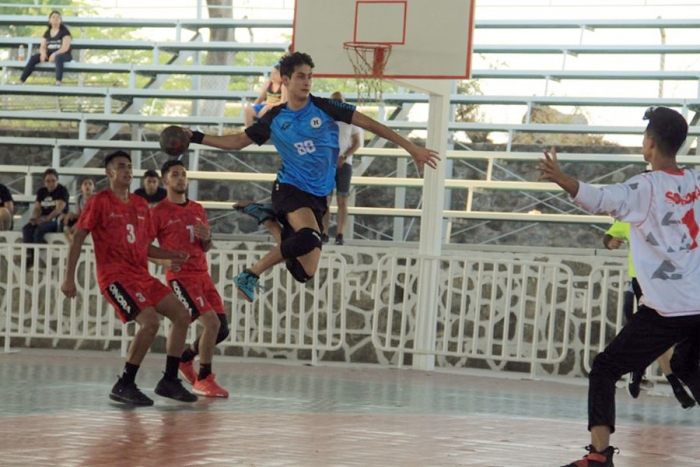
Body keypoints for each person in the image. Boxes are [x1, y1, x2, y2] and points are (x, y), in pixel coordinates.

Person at [166, 52, 439, 302]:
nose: (307, 81)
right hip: (289, 188)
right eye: (300, 76)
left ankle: (270, 221)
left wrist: (410, 146)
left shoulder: (326, 107)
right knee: (309, 237)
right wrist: (197, 137)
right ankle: (250, 273)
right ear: (285, 80)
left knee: (303, 272)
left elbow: (371, 123)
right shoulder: (275, 118)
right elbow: (237, 141)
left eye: (310, 76)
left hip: (319, 194)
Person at [537, 106, 700, 467]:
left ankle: (598, 456)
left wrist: (560, 177)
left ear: (651, 143)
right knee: (688, 365)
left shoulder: (645, 188)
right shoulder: (696, 181)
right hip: (698, 305)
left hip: (667, 309)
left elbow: (599, 199)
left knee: (606, 369)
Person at [61, 151, 197, 406]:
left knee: (182, 314)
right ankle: (125, 383)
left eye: (129, 166)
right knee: (150, 322)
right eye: (121, 167)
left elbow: (144, 246)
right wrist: (69, 278)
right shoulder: (99, 201)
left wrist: (170, 255)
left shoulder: (139, 204)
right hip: (115, 277)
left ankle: (169, 380)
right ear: (109, 173)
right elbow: (78, 238)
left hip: (140, 275)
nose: (127, 170)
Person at [150, 159, 230, 398]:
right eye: (175, 174)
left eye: (183, 174)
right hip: (181, 277)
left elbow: (206, 246)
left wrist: (207, 238)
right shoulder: (159, 212)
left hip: (202, 274)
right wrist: (163, 261)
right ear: (165, 181)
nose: (181, 178)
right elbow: (143, 247)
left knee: (222, 329)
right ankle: (204, 379)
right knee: (211, 323)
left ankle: (186, 359)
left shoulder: (196, 208)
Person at [604, 221, 695, 409]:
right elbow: (610, 235)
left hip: (669, 284)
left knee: (666, 338)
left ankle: (642, 373)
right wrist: (610, 242)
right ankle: (663, 381)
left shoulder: (670, 220)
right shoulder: (632, 219)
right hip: (644, 283)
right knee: (654, 333)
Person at [321, 91, 363, 246]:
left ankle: (339, 233)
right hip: (327, 163)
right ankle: (324, 232)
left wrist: (345, 156)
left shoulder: (351, 120)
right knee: (325, 200)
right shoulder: (325, 119)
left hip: (344, 164)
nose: (337, 103)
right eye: (334, 101)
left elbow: (357, 142)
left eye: (339, 101)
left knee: (342, 199)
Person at [22, 168, 69, 264]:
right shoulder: (41, 192)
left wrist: (46, 219)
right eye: (48, 181)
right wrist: (34, 218)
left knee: (39, 229)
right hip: (43, 218)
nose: (51, 184)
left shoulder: (62, 190)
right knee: (26, 228)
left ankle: (36, 256)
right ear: (44, 182)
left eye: (53, 181)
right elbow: (37, 208)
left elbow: (58, 209)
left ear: (57, 180)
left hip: (56, 219)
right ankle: (29, 255)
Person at [19, 10, 72, 86]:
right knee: (34, 58)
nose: (56, 18)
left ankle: (58, 81)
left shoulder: (65, 32)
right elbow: (42, 46)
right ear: (49, 20)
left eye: (58, 17)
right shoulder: (47, 33)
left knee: (58, 57)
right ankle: (21, 80)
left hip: (63, 54)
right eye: (53, 17)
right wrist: (43, 54)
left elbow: (65, 47)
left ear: (60, 20)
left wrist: (55, 54)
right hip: (50, 54)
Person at [244, 63, 287, 127]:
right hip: (265, 105)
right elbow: (261, 97)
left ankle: (260, 130)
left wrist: (269, 106)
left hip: (276, 108)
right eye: (272, 73)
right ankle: (249, 131)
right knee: (248, 109)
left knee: (266, 110)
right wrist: (254, 105)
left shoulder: (283, 86)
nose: (272, 76)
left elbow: (283, 102)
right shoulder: (269, 83)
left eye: (275, 74)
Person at [62, 176, 95, 241]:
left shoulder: (96, 198)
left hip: (92, 221)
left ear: (94, 187)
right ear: (81, 187)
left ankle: (75, 244)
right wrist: (70, 215)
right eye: (85, 184)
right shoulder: (79, 198)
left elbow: (93, 215)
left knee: (77, 228)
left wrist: (78, 223)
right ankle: (72, 244)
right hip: (82, 220)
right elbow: (78, 214)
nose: (87, 186)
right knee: (65, 228)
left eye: (90, 184)